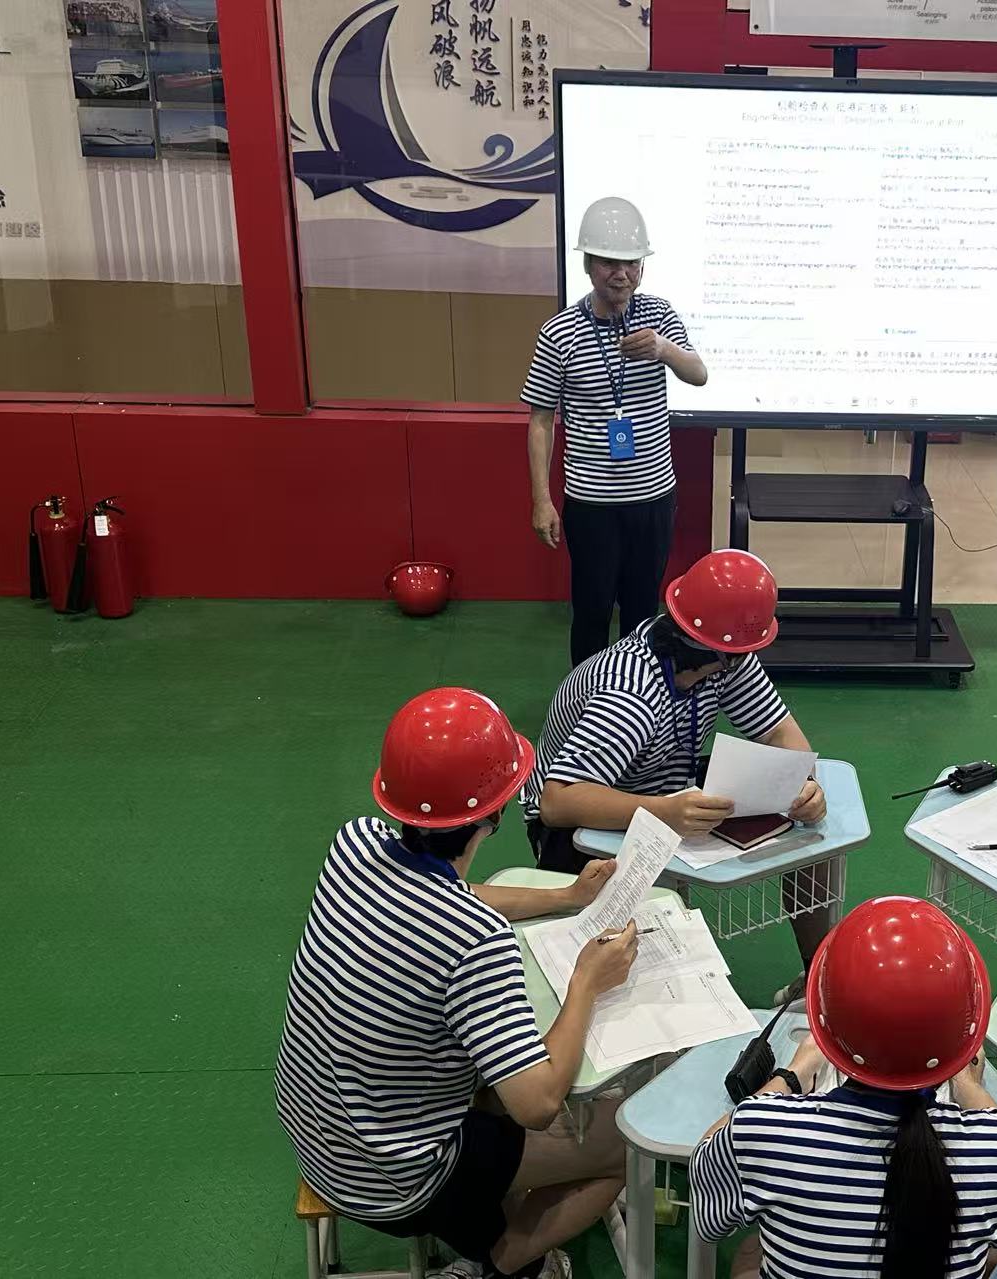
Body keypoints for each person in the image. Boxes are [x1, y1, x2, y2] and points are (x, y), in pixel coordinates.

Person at [275, 687, 642, 1279]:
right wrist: (586, 981)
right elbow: (538, 1104)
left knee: (492, 1079)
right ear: (494, 816)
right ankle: (501, 1263)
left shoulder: (354, 845)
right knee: (630, 1140)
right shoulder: (475, 940)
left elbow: (450, 893)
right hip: (403, 1182)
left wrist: (567, 896)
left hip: (319, 1138)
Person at [690, 896, 997, 1278]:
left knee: (751, 1251)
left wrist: (793, 1074)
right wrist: (972, 1089)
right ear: (962, 1042)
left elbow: (709, 1212)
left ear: (825, 1030)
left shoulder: (760, 1130)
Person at [522, 548, 831, 990]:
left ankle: (816, 979)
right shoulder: (629, 697)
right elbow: (558, 801)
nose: (747, 659)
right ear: (718, 652)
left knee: (814, 841)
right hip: (589, 808)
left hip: (667, 779)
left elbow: (781, 732)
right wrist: (664, 812)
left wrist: (805, 783)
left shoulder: (722, 659)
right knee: (621, 956)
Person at [523, 195, 710, 666]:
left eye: (631, 263)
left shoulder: (659, 317)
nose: (621, 273)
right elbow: (541, 420)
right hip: (591, 503)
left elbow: (699, 374)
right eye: (609, 262)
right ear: (588, 264)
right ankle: (586, 698)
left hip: (653, 497)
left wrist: (665, 350)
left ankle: (637, 698)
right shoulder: (559, 332)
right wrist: (542, 499)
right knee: (591, 611)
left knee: (643, 614)